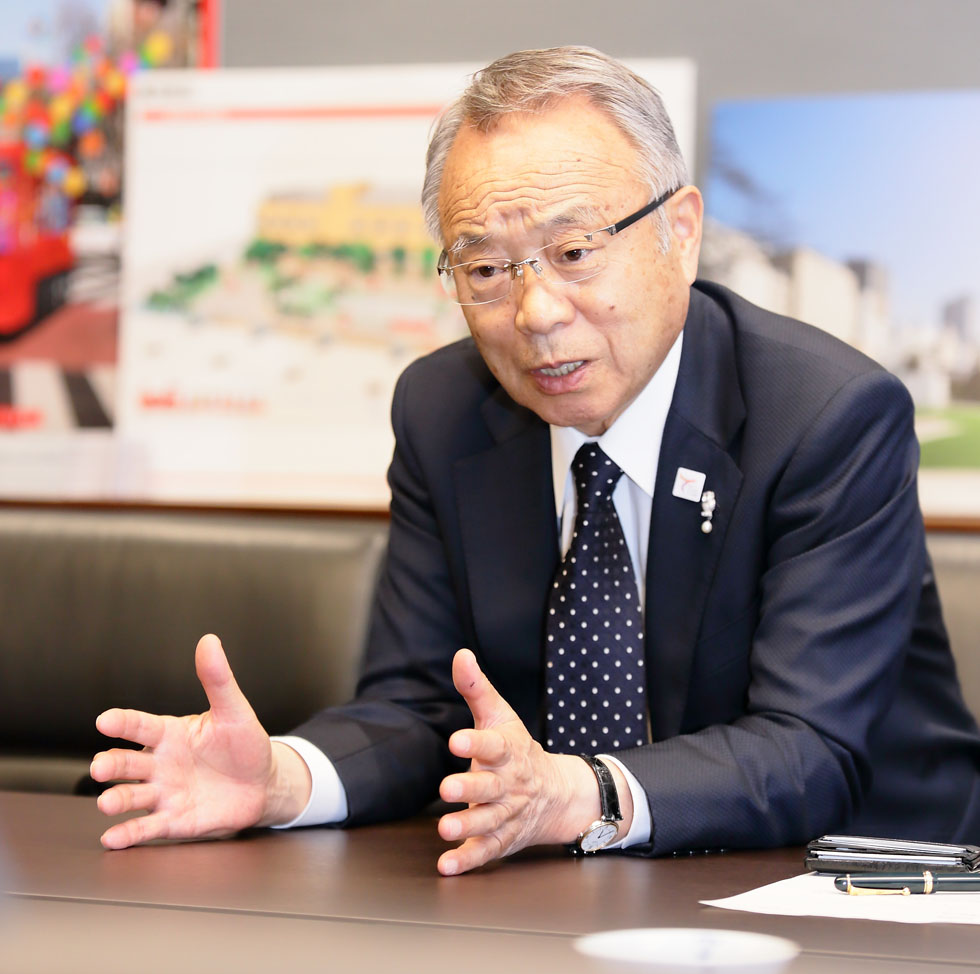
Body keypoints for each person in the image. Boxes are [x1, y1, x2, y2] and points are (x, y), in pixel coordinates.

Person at [90, 46, 980, 875]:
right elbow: (418, 704)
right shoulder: (446, 412)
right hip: (564, 895)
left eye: (575, 252)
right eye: (485, 269)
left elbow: (808, 747)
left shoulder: (825, 416)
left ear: (682, 232)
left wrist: (581, 793)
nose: (536, 311)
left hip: (861, 884)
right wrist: (285, 778)